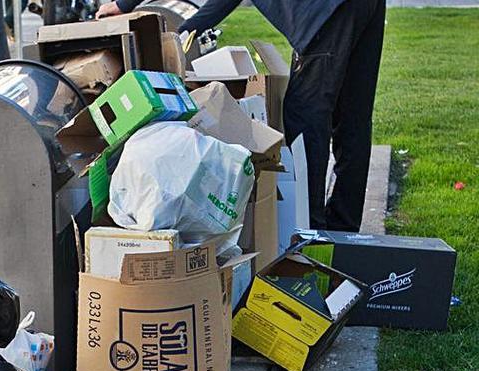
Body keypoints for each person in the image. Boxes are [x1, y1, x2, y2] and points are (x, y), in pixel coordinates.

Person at [97, 0, 386, 232]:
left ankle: (311, 229)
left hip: (325, 12)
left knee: (305, 114)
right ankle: (344, 226)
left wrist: (134, 10)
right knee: (352, 117)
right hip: (363, 7)